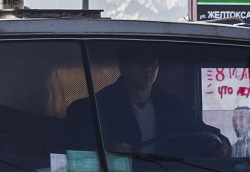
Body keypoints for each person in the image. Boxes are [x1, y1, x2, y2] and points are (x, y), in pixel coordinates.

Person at [66, 43, 226, 155]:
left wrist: (222, 147)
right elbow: (79, 146)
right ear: (122, 66)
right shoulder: (92, 108)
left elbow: (205, 134)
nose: (148, 69)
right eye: (139, 62)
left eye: (153, 62)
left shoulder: (177, 108)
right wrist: (111, 148)